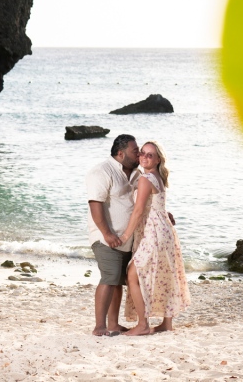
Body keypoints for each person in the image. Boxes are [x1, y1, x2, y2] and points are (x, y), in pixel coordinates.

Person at [120, 140, 191, 336]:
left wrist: (126, 235)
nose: (144, 157)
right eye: (142, 153)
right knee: (165, 274)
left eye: (149, 155)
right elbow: (158, 206)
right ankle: (166, 324)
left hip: (154, 233)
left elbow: (138, 210)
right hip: (164, 231)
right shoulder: (158, 177)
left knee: (132, 274)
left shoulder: (145, 179)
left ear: (158, 159)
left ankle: (143, 324)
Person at [85, 134, 140, 337]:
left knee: (117, 280)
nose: (139, 153)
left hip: (126, 238)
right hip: (106, 237)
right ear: (120, 153)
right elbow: (95, 203)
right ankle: (99, 327)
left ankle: (114, 325)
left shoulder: (135, 173)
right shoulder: (101, 171)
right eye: (135, 151)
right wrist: (107, 234)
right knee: (109, 278)